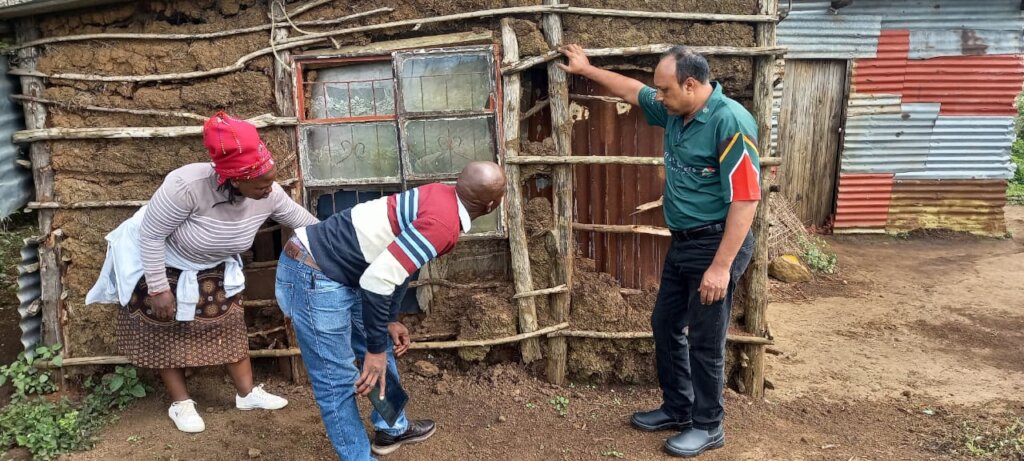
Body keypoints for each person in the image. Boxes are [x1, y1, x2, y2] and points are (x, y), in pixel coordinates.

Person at [558, 44, 760, 457]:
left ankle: (709, 426)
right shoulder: (676, 110)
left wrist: (720, 268)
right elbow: (633, 91)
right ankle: (678, 409)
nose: (659, 96)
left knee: (705, 339)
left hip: (717, 244)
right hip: (684, 242)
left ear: (691, 84)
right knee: (666, 324)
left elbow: (746, 199)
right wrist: (587, 69)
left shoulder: (730, 122)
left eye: (665, 90)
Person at [87, 112, 320, 433]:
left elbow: (307, 224)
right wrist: (157, 287)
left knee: (227, 323)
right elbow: (151, 235)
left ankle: (247, 394)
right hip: (159, 259)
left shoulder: (269, 193)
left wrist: (337, 243)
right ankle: (181, 403)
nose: (270, 188)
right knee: (164, 328)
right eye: (262, 182)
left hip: (212, 261)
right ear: (235, 178)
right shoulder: (186, 185)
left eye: (271, 179)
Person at [274, 161, 507, 460]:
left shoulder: (441, 197)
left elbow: (400, 265)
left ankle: (392, 426)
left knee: (380, 342)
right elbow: (377, 281)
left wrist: (389, 320)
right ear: (492, 204)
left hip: (345, 270)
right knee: (337, 377)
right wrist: (373, 351)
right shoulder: (443, 224)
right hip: (313, 272)